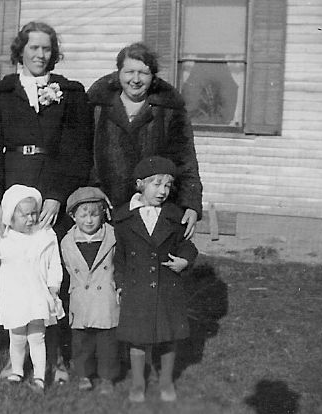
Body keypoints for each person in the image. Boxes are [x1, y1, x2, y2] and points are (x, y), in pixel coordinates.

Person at [0, 21, 93, 382]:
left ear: (54, 53)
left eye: (46, 49)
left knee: (53, 268)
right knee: (13, 271)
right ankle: (16, 356)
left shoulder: (71, 93)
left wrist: (57, 193)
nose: (40, 55)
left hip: (54, 182)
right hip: (11, 182)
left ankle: (55, 355)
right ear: (20, 51)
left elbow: (77, 149)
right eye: (33, 48)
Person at [87, 42, 203, 239]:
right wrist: (92, 192)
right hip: (106, 205)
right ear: (118, 74)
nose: (136, 80)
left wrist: (190, 204)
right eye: (129, 72)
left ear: (153, 77)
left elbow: (186, 161)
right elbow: (82, 155)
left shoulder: (169, 110)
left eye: (144, 73)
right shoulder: (97, 107)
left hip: (154, 208)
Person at [113, 156, 198, 403]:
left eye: (168, 186)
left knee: (168, 336)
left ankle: (166, 381)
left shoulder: (174, 215)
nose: (163, 191)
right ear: (140, 184)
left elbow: (187, 246)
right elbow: (120, 257)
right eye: (157, 184)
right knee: (138, 338)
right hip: (137, 286)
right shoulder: (123, 218)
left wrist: (185, 261)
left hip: (167, 285)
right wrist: (119, 283)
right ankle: (138, 383)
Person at [0, 185, 64, 393]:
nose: (31, 219)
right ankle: (16, 370)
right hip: (13, 294)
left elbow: (55, 263)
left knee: (37, 335)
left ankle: (39, 375)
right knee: (17, 335)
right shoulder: (1, 238)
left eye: (34, 213)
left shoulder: (45, 235)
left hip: (37, 293)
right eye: (25, 215)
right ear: (10, 215)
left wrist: (54, 287)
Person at [60, 187, 120, 395]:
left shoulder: (112, 236)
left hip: (105, 297)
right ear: (73, 216)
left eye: (94, 215)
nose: (89, 220)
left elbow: (119, 264)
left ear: (103, 213)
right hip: (81, 299)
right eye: (83, 215)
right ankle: (84, 374)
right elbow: (67, 270)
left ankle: (107, 377)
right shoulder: (67, 242)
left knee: (107, 343)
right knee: (81, 342)